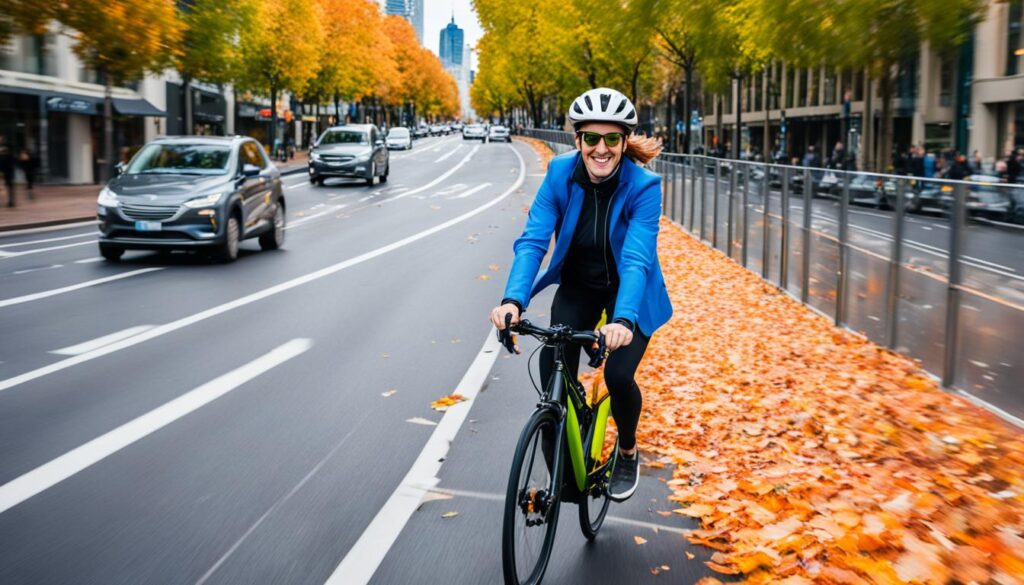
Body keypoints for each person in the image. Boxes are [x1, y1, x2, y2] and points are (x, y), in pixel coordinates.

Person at [490, 87, 673, 502]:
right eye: (592, 138)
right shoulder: (558, 174)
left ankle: (626, 449)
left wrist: (623, 320)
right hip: (578, 287)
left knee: (618, 375)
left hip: (631, 294)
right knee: (552, 371)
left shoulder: (644, 186)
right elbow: (534, 240)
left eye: (612, 139)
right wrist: (513, 300)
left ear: (625, 142)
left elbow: (637, 260)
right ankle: (565, 472)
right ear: (578, 141)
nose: (601, 148)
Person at [0, 138, 15, 207]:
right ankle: (10, 201)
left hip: (7, 173)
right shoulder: (5, 156)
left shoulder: (8, 156)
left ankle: (11, 201)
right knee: (4, 188)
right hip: (5, 173)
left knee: (8, 188)